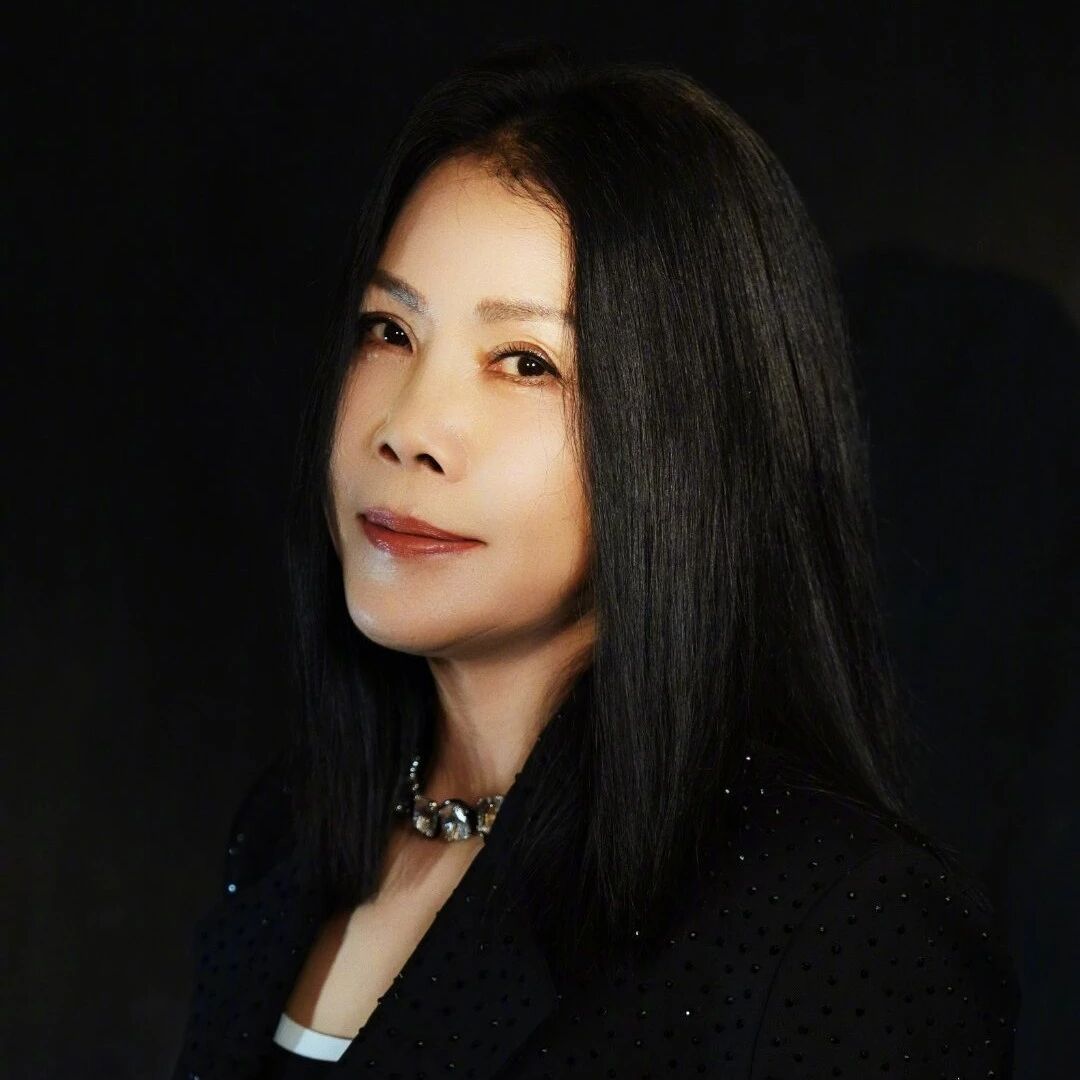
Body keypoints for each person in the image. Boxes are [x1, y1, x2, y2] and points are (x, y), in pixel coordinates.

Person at [171, 40, 1021, 1079]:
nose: (408, 430)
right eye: (389, 330)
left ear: (696, 435)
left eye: (525, 362)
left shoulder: (841, 926)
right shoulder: (287, 834)